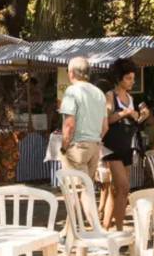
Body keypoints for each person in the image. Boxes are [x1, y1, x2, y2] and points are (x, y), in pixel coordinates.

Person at [101, 59, 139, 230]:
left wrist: (137, 116)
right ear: (119, 78)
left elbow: (133, 120)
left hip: (126, 146)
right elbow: (106, 120)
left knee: (116, 190)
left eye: (133, 78)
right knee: (124, 187)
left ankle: (106, 227)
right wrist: (124, 113)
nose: (132, 82)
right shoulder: (110, 96)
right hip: (112, 147)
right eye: (128, 78)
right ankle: (119, 229)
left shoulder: (130, 98)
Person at [59, 56, 108, 181]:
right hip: (94, 146)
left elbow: (69, 125)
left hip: (78, 146)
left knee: (76, 189)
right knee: (87, 187)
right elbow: (105, 127)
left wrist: (64, 148)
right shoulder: (99, 93)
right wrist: (94, 140)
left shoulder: (72, 91)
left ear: (71, 72)